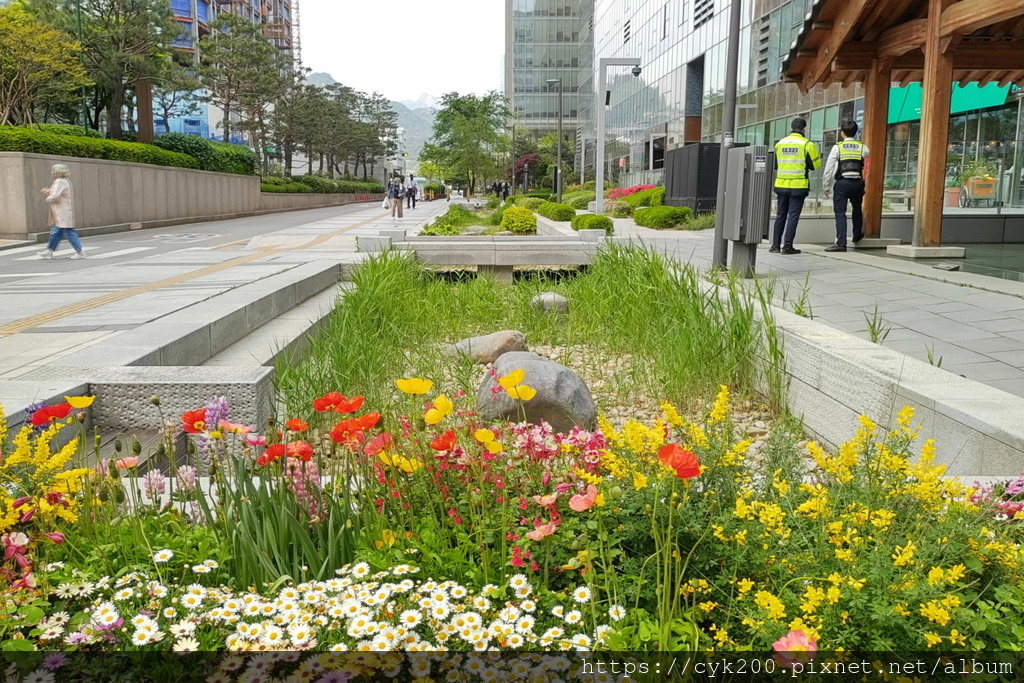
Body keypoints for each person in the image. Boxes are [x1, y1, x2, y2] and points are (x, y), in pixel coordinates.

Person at [770, 118, 821, 255]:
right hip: (798, 185)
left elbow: (775, 164)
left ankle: (775, 245)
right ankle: (787, 246)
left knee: (781, 214)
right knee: (793, 215)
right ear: (804, 129)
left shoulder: (780, 144)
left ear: (791, 128)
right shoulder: (807, 144)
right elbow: (815, 165)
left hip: (781, 184)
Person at [822, 120, 870, 252]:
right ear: (856, 132)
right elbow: (867, 167)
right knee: (856, 208)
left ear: (842, 133)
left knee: (840, 213)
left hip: (842, 183)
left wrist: (826, 186)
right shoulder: (863, 148)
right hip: (857, 183)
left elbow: (829, 167)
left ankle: (841, 243)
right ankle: (857, 234)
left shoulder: (837, 147)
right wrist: (864, 181)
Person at [37, 164, 85, 260]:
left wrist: (48, 198)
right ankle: (49, 250)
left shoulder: (60, 181)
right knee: (56, 231)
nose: (53, 173)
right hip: (61, 210)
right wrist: (48, 191)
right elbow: (56, 192)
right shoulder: (64, 181)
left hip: (62, 210)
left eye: (54, 171)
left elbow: (55, 195)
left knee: (68, 230)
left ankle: (79, 251)